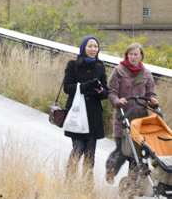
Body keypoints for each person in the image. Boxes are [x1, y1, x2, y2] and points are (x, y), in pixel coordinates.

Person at [105, 43, 157, 184]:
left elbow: (151, 92)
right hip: (123, 117)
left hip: (141, 120)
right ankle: (110, 170)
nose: (133, 57)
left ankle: (130, 185)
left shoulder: (146, 74)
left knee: (137, 154)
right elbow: (111, 92)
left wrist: (153, 101)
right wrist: (117, 100)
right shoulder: (118, 71)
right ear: (127, 55)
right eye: (131, 54)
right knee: (122, 151)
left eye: (136, 54)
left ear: (141, 56)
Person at [63, 35, 108, 180]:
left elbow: (106, 92)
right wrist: (84, 86)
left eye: (95, 46)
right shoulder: (73, 65)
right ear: (83, 48)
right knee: (78, 149)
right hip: (77, 114)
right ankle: (69, 182)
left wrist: (101, 91)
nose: (93, 49)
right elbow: (67, 88)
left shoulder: (100, 67)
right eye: (90, 46)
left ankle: (87, 186)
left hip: (93, 115)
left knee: (91, 153)